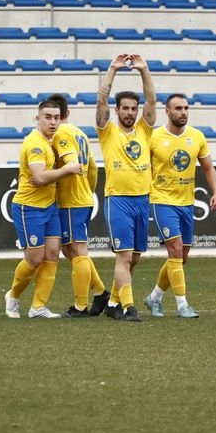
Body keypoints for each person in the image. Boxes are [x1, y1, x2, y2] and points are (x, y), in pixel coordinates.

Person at [143, 94, 216, 318]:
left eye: (186, 108)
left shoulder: (196, 136)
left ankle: (154, 297)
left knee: (181, 257)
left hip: (186, 202)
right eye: (178, 108)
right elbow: (142, 166)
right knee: (176, 250)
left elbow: (208, 168)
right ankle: (182, 305)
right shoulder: (153, 137)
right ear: (167, 111)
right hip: (161, 201)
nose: (183, 112)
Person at [4, 100, 81, 319]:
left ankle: (38, 307)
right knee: (35, 259)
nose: (53, 122)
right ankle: (13, 295)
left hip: (49, 206)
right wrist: (67, 169)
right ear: (37, 119)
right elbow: (38, 178)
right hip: (29, 208)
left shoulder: (49, 141)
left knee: (52, 254)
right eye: (48, 117)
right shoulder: (35, 144)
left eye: (57, 117)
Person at [95, 53, 156, 322]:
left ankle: (112, 303)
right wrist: (113, 69)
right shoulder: (107, 131)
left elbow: (152, 100)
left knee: (135, 257)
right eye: (125, 108)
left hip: (143, 199)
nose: (130, 113)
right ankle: (129, 308)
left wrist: (144, 70)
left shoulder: (144, 129)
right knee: (124, 256)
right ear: (117, 110)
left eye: (133, 108)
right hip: (118, 199)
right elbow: (100, 99)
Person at [46, 93, 111, 318]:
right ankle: (101, 292)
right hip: (81, 196)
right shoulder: (79, 132)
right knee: (69, 250)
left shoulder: (61, 133)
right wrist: (88, 190)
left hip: (72, 199)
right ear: (69, 112)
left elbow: (72, 161)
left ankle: (81, 306)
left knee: (77, 250)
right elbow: (93, 168)